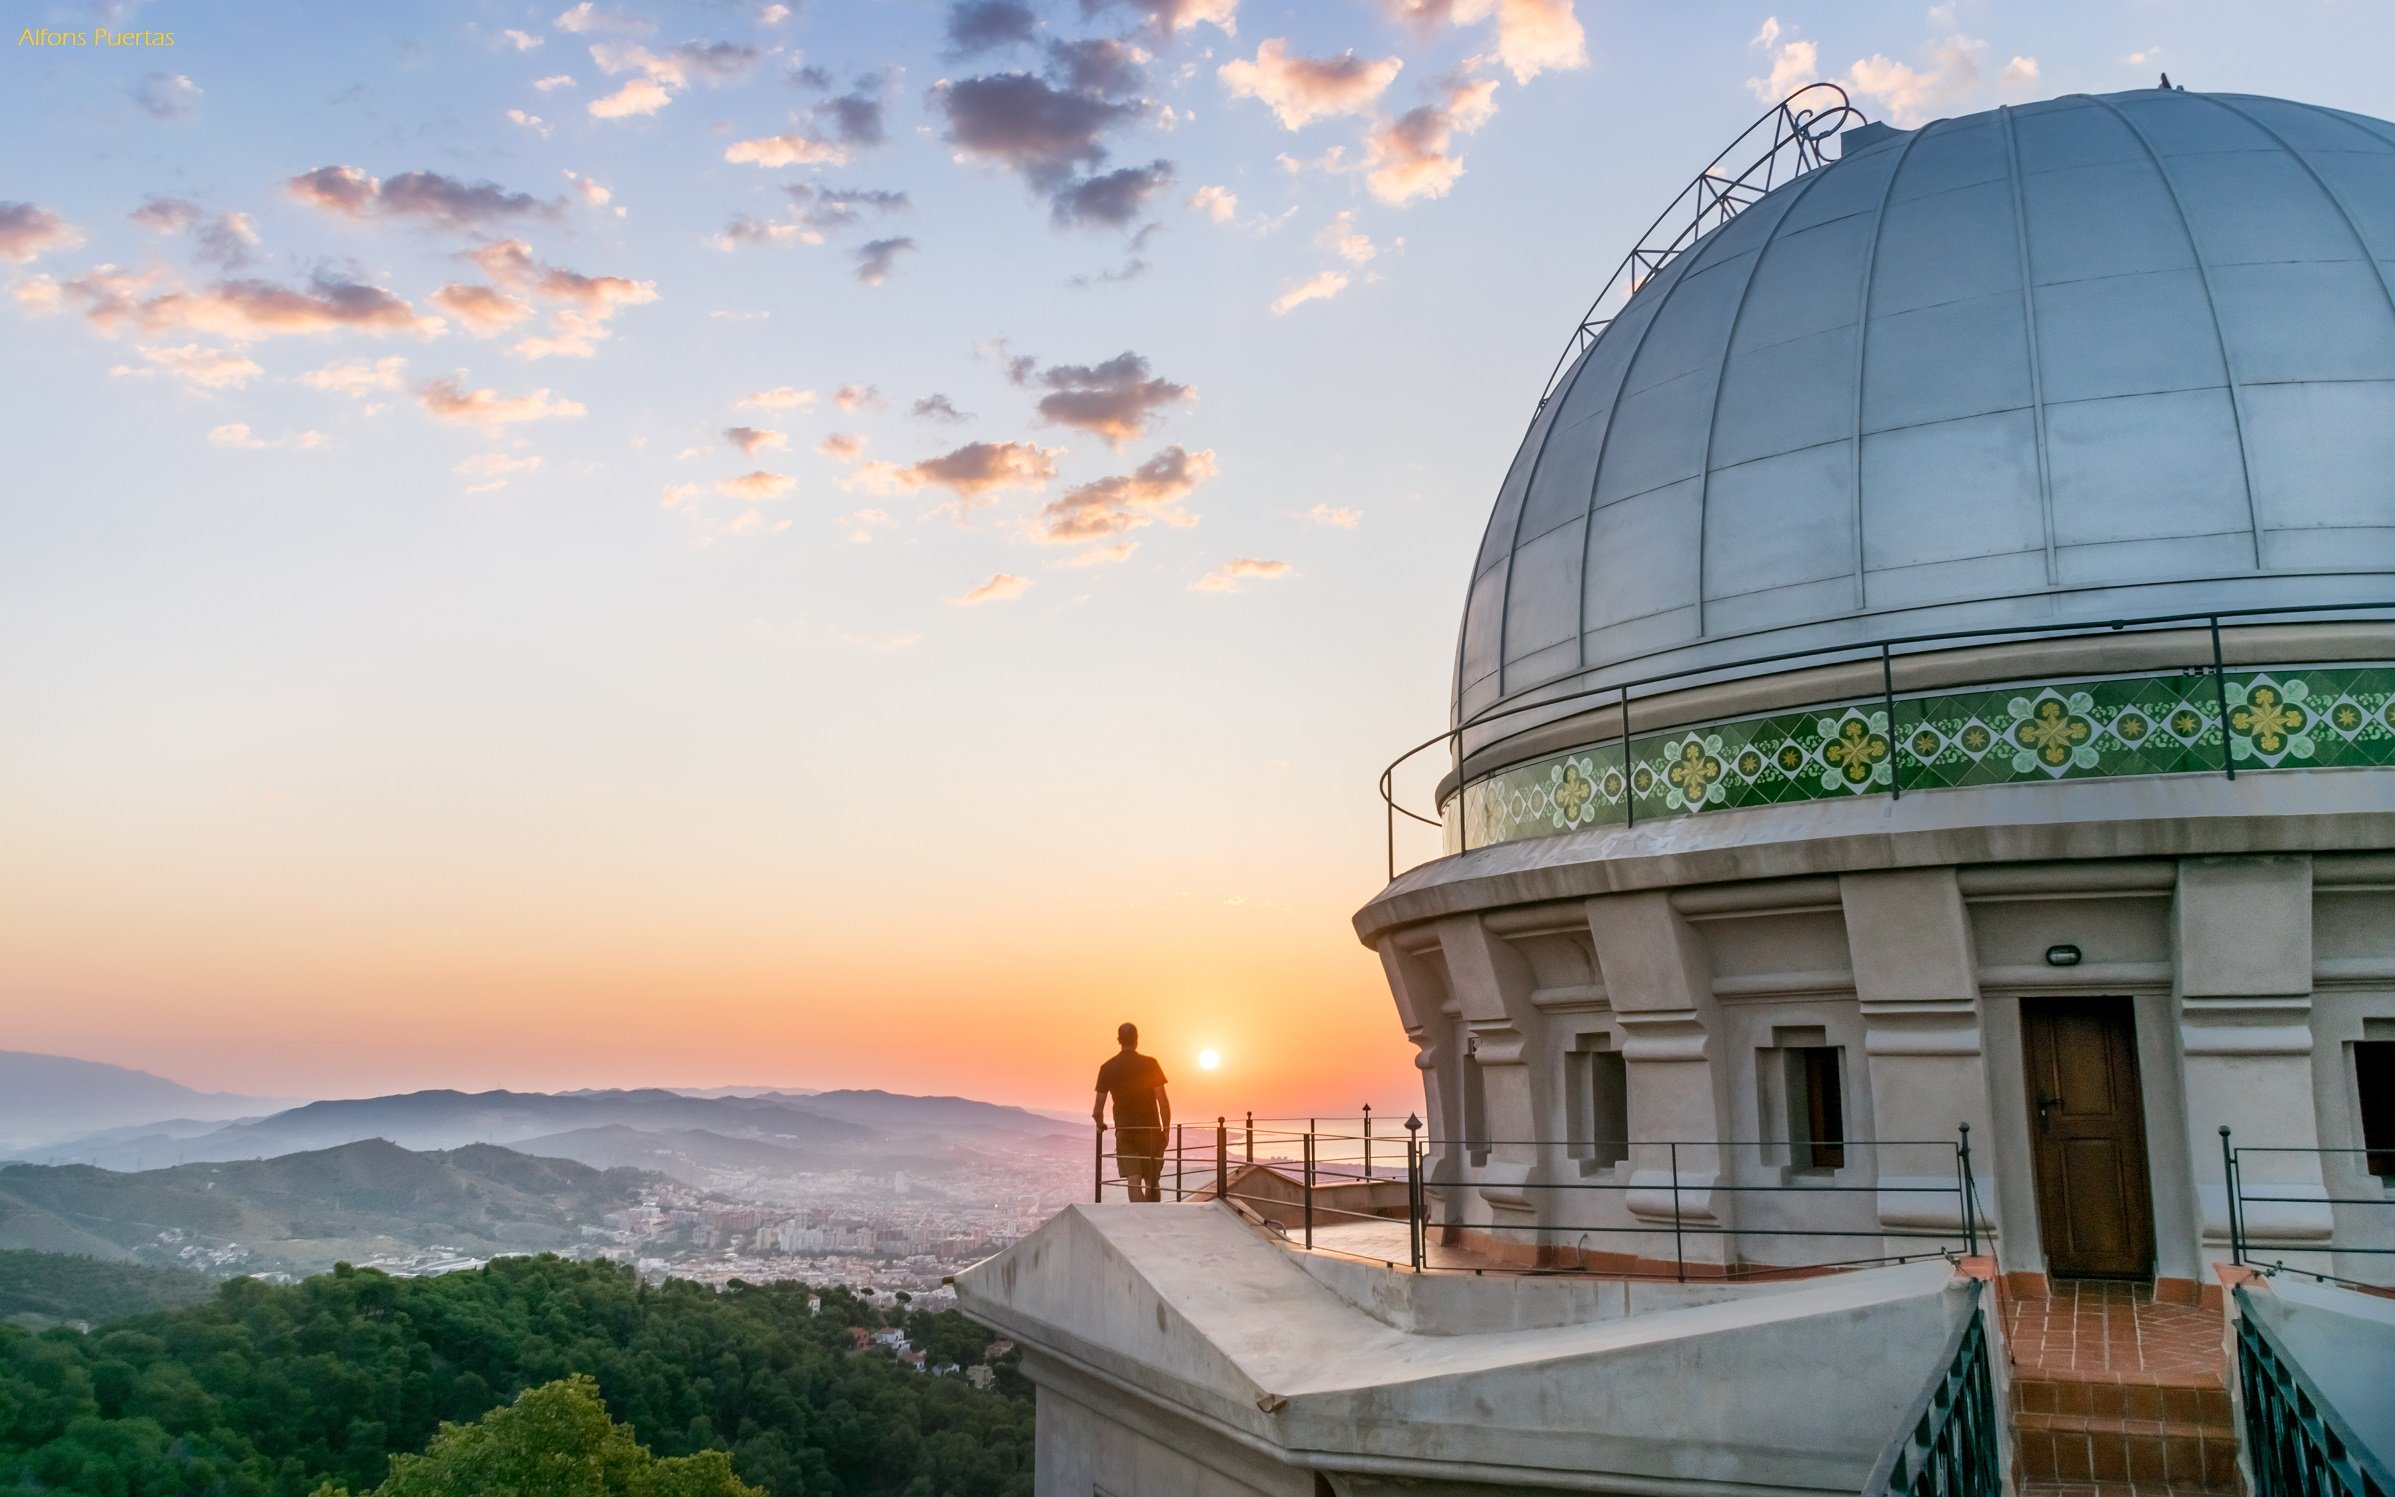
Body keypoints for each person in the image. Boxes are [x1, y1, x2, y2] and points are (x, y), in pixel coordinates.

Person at [1093, 1022, 1171, 1202]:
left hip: (1125, 1131)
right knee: (1152, 1181)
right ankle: (1152, 1219)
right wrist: (1165, 1131)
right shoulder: (1150, 1064)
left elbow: (1097, 1110)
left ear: (1119, 1040)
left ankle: (1141, 1224)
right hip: (1151, 1131)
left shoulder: (1108, 1068)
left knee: (1133, 1181)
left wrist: (1101, 1125)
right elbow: (1163, 1103)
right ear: (1137, 1040)